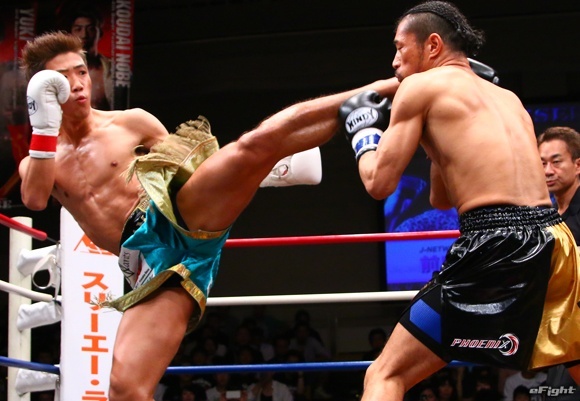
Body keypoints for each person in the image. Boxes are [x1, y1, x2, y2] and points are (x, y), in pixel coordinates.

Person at [18, 32, 400, 401]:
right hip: (150, 267)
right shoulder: (42, 160)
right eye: (63, 78)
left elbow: (187, 166)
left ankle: (378, 91)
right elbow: (34, 198)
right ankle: (264, 171)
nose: (78, 84)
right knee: (124, 390)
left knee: (253, 145)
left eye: (81, 71)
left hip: (175, 215)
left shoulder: (129, 122)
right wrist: (44, 127)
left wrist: (242, 177)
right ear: (44, 90)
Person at [337, 1, 580, 400]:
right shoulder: (508, 97)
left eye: (400, 48)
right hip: (555, 242)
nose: (394, 61)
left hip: (496, 245)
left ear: (432, 45)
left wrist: (363, 135)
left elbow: (378, 183)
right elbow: (440, 198)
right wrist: (435, 146)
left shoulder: (419, 87)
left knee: (385, 375)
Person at [536, 125, 580, 401]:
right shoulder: (548, 217)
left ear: (578, 165)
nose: (548, 171)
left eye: (556, 161)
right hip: (561, 331)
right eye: (542, 163)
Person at [57, 1, 113, 110]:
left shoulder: (114, 70)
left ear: (99, 32)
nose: (84, 35)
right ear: (70, 33)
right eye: (78, 29)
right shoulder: (58, 70)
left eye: (91, 29)